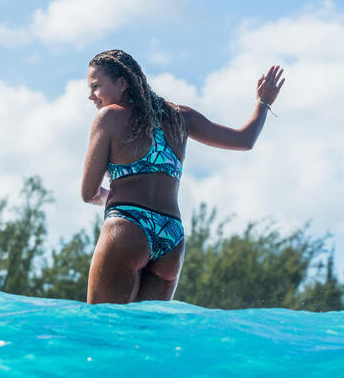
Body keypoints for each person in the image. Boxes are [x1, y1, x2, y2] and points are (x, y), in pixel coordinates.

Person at [81, 49, 284, 304]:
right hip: (171, 237)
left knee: (103, 330)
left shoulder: (108, 118)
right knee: (148, 339)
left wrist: (116, 200)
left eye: (96, 87)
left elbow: (88, 193)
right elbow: (245, 140)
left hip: (127, 227)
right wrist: (263, 103)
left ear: (122, 83)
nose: (90, 96)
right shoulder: (181, 118)